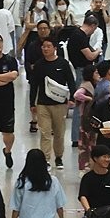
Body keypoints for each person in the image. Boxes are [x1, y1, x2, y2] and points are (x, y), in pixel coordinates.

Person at [29, 35, 77, 168]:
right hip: (43, 104)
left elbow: (71, 81)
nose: (45, 49)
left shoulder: (63, 64)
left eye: (48, 46)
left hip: (60, 104)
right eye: (44, 46)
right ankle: (46, 159)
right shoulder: (39, 65)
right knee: (45, 133)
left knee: (59, 133)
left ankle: (59, 157)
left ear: (55, 48)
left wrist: (72, 98)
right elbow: (34, 85)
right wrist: (32, 103)